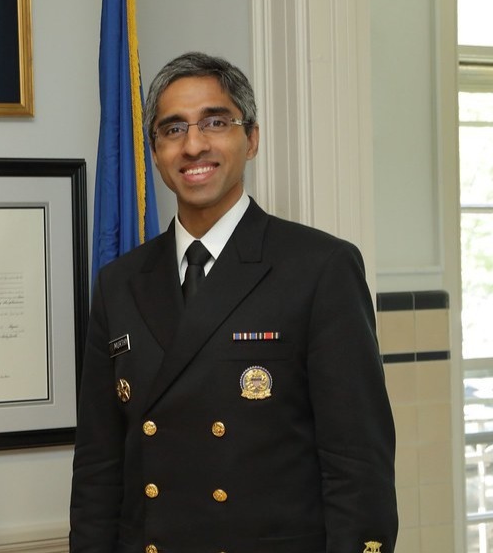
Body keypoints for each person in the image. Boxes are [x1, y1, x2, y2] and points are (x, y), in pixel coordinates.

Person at [69, 52, 398, 553]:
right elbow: (99, 467)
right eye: (172, 129)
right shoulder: (120, 282)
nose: (194, 145)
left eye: (215, 122)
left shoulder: (319, 267)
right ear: (154, 153)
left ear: (252, 139)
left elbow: (358, 463)